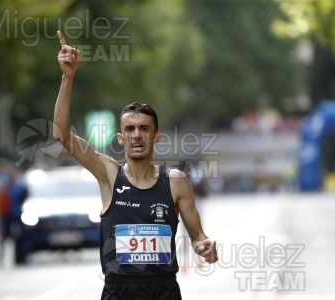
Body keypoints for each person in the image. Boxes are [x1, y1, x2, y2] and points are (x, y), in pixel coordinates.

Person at [53, 31, 218, 300]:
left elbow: (197, 235)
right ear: (121, 138)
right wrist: (67, 77)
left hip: (163, 291)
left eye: (143, 129)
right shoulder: (109, 174)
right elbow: (62, 135)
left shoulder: (176, 182)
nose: (136, 135)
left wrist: (205, 246)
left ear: (156, 137)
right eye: (129, 129)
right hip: (119, 291)